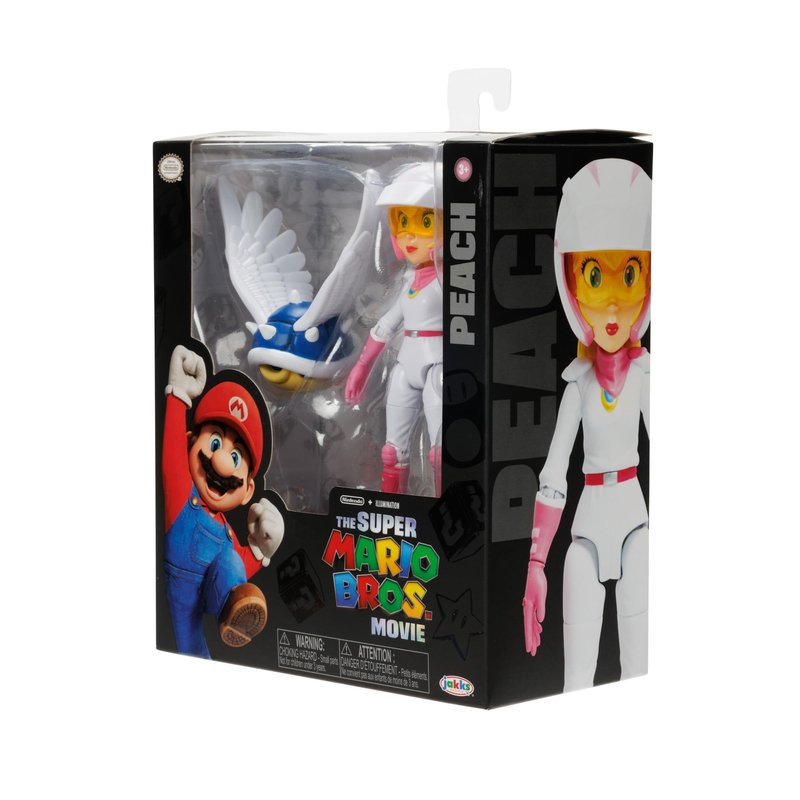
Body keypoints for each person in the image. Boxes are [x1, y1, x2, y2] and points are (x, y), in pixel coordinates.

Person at [522, 158, 652, 691]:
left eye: (631, 274)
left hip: (636, 525)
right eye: (596, 278)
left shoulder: (645, 374)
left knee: (640, 669)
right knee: (576, 677)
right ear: (574, 283)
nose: (614, 303)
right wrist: (535, 563)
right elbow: (554, 473)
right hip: (585, 531)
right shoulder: (577, 383)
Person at [162, 345, 284, 658]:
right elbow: (171, 459)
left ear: (248, 490)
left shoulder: (227, 533)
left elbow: (237, 567)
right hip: (182, 591)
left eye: (236, 457)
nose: (223, 464)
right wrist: (178, 395)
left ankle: (236, 613)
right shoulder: (183, 498)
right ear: (190, 443)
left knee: (230, 560)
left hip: (219, 592)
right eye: (215, 442)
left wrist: (260, 548)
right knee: (192, 649)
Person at [344, 163, 443, 495]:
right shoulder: (410, 281)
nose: (410, 235)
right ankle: (395, 510)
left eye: (425, 222)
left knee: (440, 454)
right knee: (391, 453)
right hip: (406, 364)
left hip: (438, 366)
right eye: (403, 222)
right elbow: (386, 325)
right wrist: (361, 367)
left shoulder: (449, 281)